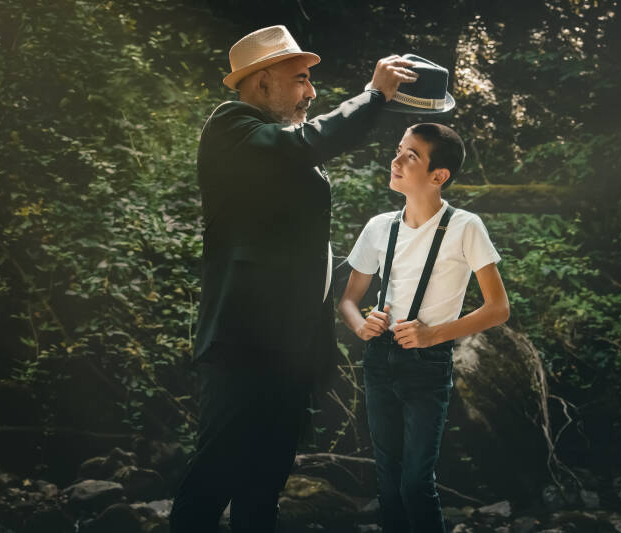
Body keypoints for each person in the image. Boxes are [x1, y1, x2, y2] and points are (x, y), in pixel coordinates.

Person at [169, 25, 417, 533]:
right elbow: (311, 140)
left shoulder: (277, 144)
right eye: (301, 79)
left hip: (289, 349)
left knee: (264, 484)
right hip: (244, 343)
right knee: (215, 476)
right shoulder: (232, 127)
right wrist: (374, 95)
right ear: (261, 83)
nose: (311, 91)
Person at [338, 123, 510, 533]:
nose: (395, 161)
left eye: (410, 155)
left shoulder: (466, 227)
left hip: (429, 366)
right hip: (379, 361)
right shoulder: (380, 226)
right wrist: (362, 324)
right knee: (389, 482)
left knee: (416, 482)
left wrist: (435, 334)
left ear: (439, 176)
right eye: (398, 150)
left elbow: (498, 309)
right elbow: (347, 299)